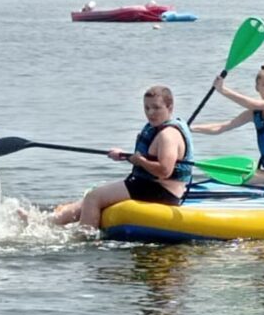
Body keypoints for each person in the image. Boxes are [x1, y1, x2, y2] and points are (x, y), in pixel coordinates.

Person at [51, 85, 193, 229]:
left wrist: (141, 161)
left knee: (93, 197)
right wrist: (125, 156)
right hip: (147, 185)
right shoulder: (157, 129)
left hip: (160, 192)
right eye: (147, 108)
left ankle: (84, 239)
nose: (150, 113)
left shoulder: (167, 135)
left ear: (170, 107)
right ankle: (44, 222)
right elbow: (146, 158)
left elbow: (165, 171)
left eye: (156, 108)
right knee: (85, 201)